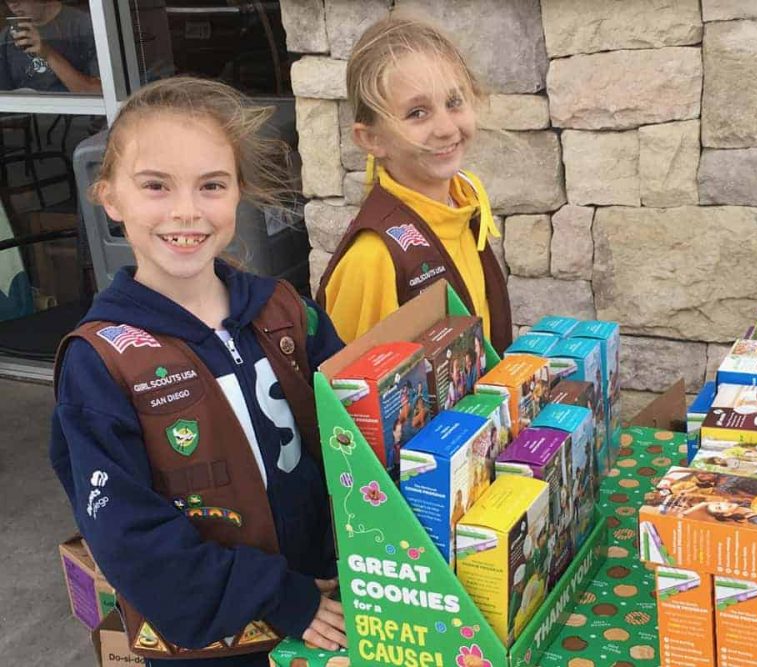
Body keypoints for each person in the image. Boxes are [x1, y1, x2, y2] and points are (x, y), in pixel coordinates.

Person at [49, 77, 347, 666]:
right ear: (109, 197)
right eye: (156, 186)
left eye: (211, 185)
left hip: (330, 604)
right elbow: (128, 538)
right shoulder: (100, 359)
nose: (186, 211)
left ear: (239, 193)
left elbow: (358, 428)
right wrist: (279, 596)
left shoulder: (285, 309)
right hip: (214, 646)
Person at [314, 14, 513, 352]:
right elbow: (349, 398)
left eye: (454, 102)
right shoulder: (373, 259)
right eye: (417, 113)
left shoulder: (462, 204)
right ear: (372, 139)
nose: (447, 128)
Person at [0, 0, 100, 92]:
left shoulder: (86, 26)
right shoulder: (8, 36)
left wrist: (48, 54)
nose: (12, 3)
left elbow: (99, 93)